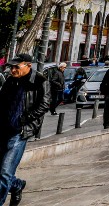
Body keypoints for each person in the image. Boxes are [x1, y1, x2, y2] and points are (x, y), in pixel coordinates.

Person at [0, 53, 50, 205]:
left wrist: (24, 119)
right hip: (4, 129)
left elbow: (44, 104)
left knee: (4, 172)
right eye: (11, 67)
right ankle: (17, 185)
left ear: (28, 65)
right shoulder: (10, 81)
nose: (12, 70)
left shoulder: (40, 81)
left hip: (21, 130)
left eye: (16, 67)